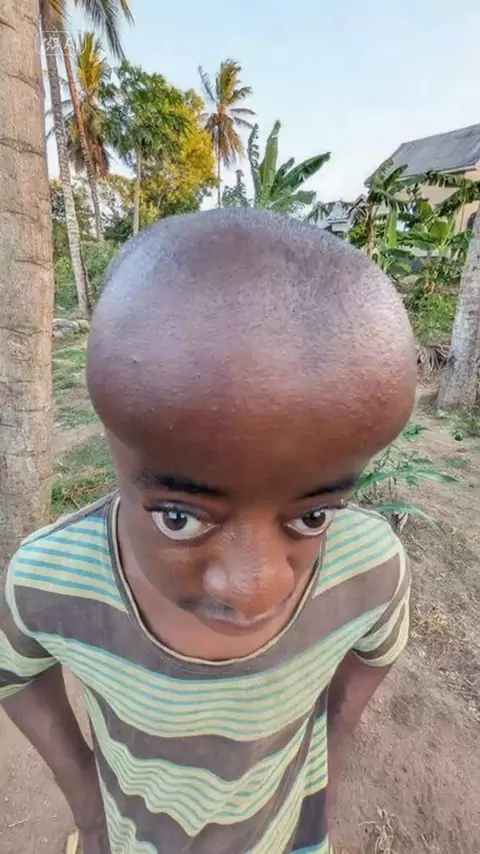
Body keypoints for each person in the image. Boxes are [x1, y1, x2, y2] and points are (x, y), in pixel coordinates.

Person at [0, 210, 415, 854]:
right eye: (179, 517)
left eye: (312, 515)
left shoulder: (370, 570)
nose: (255, 587)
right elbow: (16, 675)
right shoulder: (49, 581)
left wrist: (329, 764)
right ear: (116, 447)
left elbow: (372, 658)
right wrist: (86, 802)